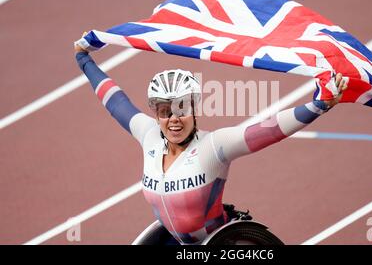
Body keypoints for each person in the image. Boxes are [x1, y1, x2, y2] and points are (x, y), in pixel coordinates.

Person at [74, 36, 347, 245]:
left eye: (183, 110)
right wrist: (84, 59)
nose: (175, 120)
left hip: (222, 244)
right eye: (166, 113)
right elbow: (116, 101)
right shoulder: (148, 136)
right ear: (156, 114)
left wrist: (317, 107)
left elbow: (269, 130)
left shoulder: (213, 146)